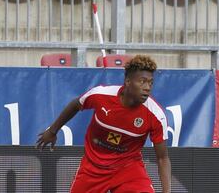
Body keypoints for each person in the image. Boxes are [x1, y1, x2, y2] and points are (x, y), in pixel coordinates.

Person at [36, 55, 171, 193]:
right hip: (93, 168)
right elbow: (76, 104)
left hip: (128, 169)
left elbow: (162, 158)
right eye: (142, 81)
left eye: (150, 83)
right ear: (128, 81)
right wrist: (53, 131)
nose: (147, 87)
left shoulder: (155, 115)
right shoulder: (101, 95)